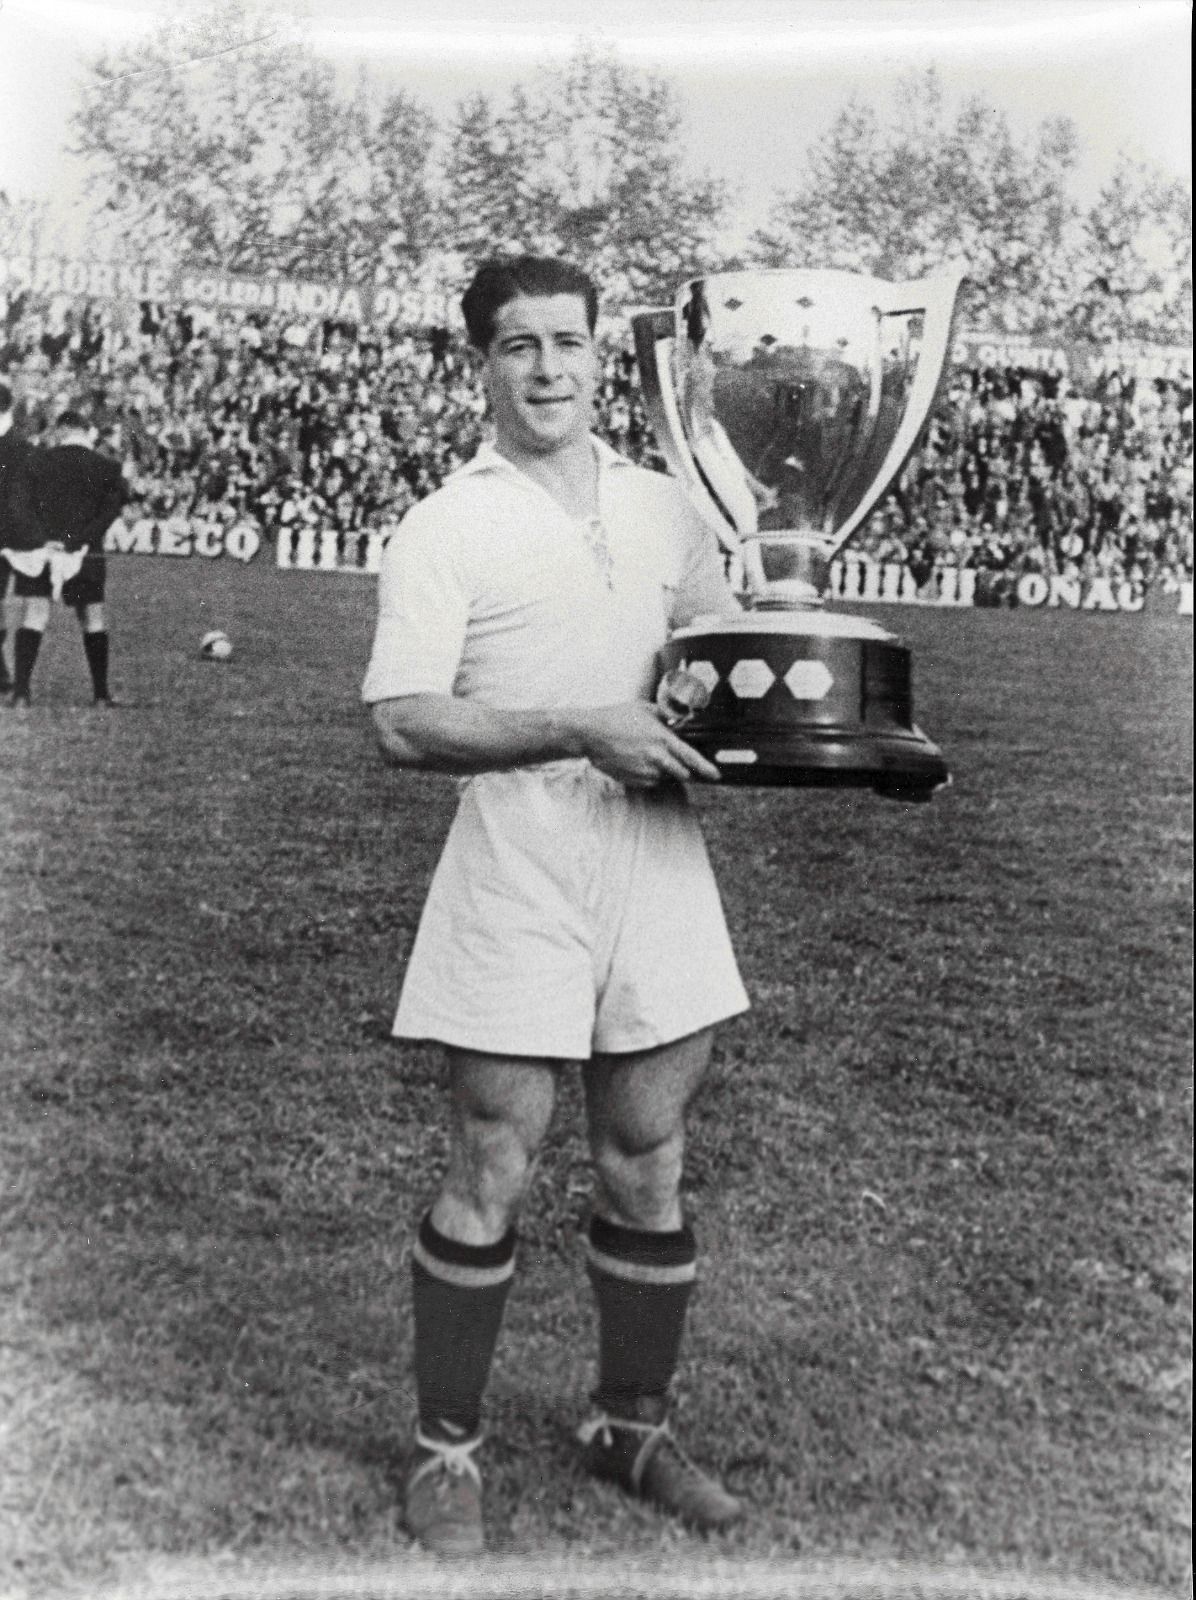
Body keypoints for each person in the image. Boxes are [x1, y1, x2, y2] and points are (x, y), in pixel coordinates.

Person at [362, 256, 751, 1559]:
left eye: (567, 342)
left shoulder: (662, 506)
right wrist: (580, 725)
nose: (546, 369)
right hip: (517, 864)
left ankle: (629, 1426)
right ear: (480, 363)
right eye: (517, 344)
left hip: (655, 860)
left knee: (648, 1157)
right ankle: (446, 1452)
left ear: (599, 356)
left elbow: (717, 653)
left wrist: (735, 689)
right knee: (492, 1162)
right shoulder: (445, 524)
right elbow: (403, 721)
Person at [6, 408, 127, 707]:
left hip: (41, 552)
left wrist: (42, 540)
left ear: (60, 430)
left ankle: (21, 693)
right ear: (85, 431)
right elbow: (109, 513)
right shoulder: (107, 466)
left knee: (34, 614)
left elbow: (18, 507)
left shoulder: (36, 462)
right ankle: (101, 696)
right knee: (92, 617)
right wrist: (77, 541)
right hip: (86, 552)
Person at [0, 381, 45, 694]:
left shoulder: (22, 448)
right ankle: (6, 675)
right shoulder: (27, 448)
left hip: (17, 535)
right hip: (24, 536)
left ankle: (6, 676)